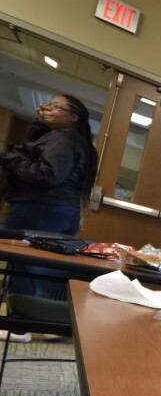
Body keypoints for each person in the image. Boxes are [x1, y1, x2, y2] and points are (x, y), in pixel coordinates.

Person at [0, 94, 98, 342]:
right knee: (49, 268)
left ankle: (19, 327)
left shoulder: (63, 139)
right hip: (61, 211)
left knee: (22, 262)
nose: (47, 109)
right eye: (47, 105)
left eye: (55, 107)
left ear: (73, 117)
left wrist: (8, 159)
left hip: (39, 209)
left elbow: (48, 175)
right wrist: (39, 122)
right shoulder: (72, 139)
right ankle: (53, 325)